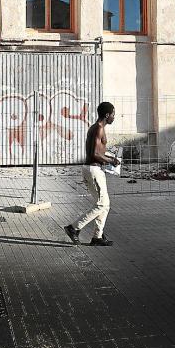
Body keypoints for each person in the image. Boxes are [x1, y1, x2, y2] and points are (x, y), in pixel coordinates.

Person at [64, 101, 119, 247]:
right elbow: (94, 154)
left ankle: (97, 237)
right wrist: (111, 160)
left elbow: (97, 151)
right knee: (102, 204)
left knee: (104, 205)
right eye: (113, 114)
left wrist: (108, 158)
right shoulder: (99, 129)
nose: (114, 117)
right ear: (107, 115)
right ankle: (74, 228)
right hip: (93, 170)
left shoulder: (96, 128)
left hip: (94, 169)